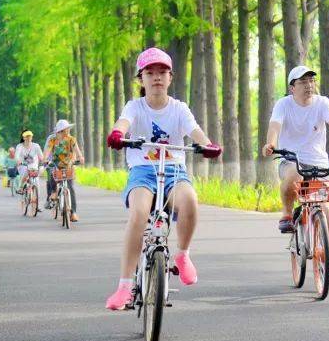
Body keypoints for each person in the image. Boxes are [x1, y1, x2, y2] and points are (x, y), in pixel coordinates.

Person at [104, 47, 222, 310]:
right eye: (150, 73)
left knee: (190, 200)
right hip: (143, 171)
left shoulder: (179, 108)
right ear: (141, 79)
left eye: (162, 72)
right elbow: (123, 123)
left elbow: (195, 131)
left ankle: (182, 255)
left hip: (173, 170)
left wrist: (207, 144)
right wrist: (116, 133)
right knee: (139, 213)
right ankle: (124, 285)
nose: (156, 77)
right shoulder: (135, 106)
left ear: (170, 78)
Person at [261, 65, 329, 284]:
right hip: (291, 160)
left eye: (311, 81)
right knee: (294, 176)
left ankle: (327, 259)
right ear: (291, 87)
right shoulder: (283, 105)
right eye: (303, 82)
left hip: (318, 163)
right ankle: (287, 214)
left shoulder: (322, 103)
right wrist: (271, 144)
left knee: (325, 209)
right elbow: (275, 127)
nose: (309, 86)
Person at [43, 119, 85, 221]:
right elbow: (48, 151)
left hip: (68, 164)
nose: (67, 131)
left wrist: (80, 157)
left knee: (71, 187)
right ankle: (53, 192)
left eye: (67, 129)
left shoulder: (71, 139)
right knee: (52, 172)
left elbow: (77, 150)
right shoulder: (53, 140)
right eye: (65, 130)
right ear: (59, 132)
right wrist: (45, 159)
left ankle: (73, 212)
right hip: (56, 164)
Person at [14, 130, 44, 197]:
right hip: (23, 166)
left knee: (37, 183)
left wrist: (44, 161)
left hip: (34, 167)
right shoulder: (20, 146)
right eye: (27, 136)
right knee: (26, 171)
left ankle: (36, 203)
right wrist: (18, 161)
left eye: (30, 136)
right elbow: (16, 156)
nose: (28, 138)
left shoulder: (36, 146)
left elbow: (41, 157)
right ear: (23, 138)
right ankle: (21, 187)